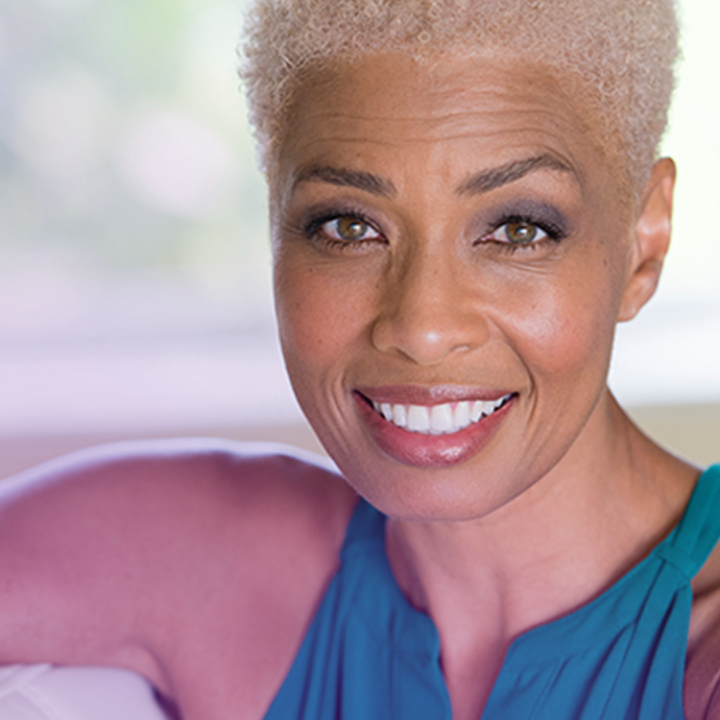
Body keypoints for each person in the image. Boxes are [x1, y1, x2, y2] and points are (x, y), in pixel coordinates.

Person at [0, 0, 718, 718]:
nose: (422, 326)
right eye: (349, 227)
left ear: (643, 242)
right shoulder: (202, 560)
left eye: (517, 229)